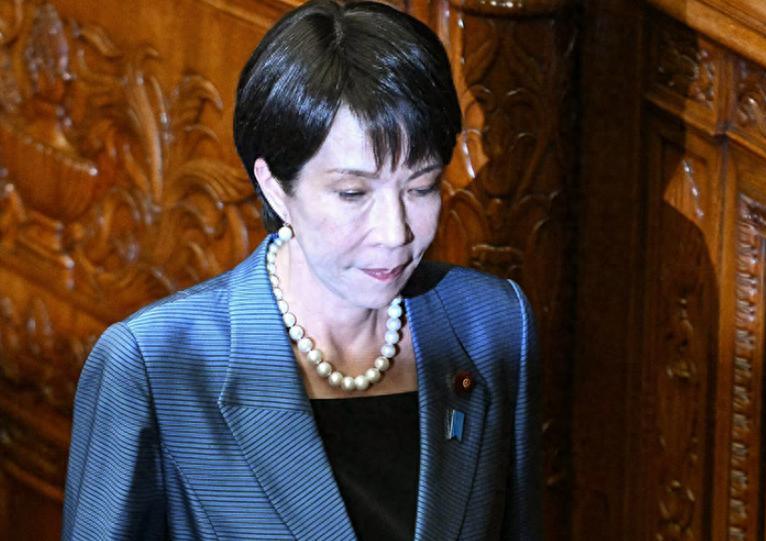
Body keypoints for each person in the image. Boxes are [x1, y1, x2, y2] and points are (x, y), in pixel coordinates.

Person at [61, 0, 542, 539]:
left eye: (421, 186)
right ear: (274, 187)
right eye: (353, 193)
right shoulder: (155, 366)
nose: (395, 232)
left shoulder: (494, 325)